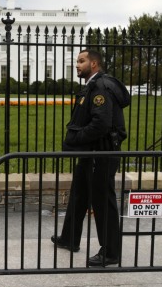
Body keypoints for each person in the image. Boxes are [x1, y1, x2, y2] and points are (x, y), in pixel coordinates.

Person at [51, 49, 130, 266]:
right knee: (80, 193)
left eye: (81, 61)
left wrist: (75, 139)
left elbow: (101, 124)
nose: (77, 64)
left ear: (94, 64)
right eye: (77, 61)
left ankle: (111, 252)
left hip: (100, 153)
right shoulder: (93, 86)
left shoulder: (100, 88)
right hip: (91, 152)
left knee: (103, 201)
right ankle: (69, 238)